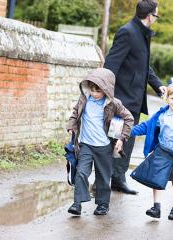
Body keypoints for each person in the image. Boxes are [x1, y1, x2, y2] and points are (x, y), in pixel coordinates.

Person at [104, 0, 166, 194]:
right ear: (150, 16)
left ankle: (118, 178)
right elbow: (111, 64)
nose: (156, 19)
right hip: (122, 99)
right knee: (114, 139)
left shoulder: (142, 34)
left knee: (127, 140)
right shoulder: (128, 32)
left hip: (135, 100)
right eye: (156, 15)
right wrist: (108, 96)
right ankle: (103, 179)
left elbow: (143, 66)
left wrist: (158, 86)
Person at [66, 68, 134, 216]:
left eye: (98, 91)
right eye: (92, 90)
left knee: (103, 176)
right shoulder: (84, 99)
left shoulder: (114, 104)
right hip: (86, 145)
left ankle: (103, 204)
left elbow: (129, 118)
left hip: (104, 147)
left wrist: (122, 138)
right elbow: (75, 113)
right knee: (81, 173)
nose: (94, 94)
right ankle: (77, 204)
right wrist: (71, 126)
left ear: (107, 90)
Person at [131, 84, 173, 220]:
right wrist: (129, 131)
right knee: (157, 180)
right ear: (167, 98)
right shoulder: (161, 115)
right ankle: (156, 207)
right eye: (172, 98)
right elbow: (147, 126)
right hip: (161, 154)